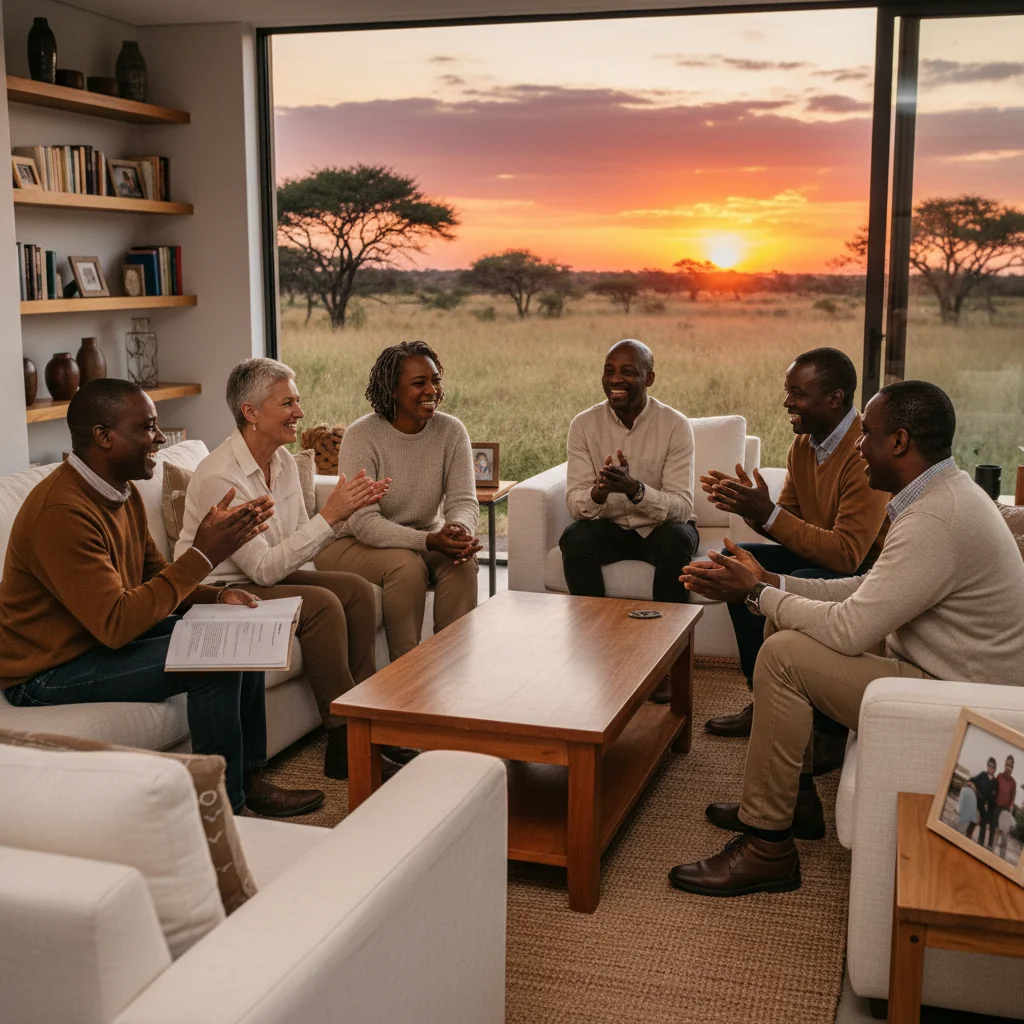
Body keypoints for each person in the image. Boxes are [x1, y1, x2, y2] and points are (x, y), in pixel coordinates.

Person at [669, 380, 1024, 897]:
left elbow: (851, 627)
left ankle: (768, 848)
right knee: (782, 623)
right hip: (940, 667)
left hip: (961, 698)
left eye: (869, 435)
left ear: (900, 442)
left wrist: (755, 594)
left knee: (783, 655)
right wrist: (771, 583)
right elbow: (868, 588)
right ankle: (795, 800)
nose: (858, 445)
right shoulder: (939, 494)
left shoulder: (935, 517)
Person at [0, 379, 324, 817]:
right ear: (103, 436)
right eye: (148, 427)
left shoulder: (120, 490)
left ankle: (248, 779)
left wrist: (214, 598)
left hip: (94, 638)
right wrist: (205, 553)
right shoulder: (62, 513)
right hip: (47, 670)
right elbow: (116, 624)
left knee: (237, 634)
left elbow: (153, 575)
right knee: (213, 662)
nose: (159, 437)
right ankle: (224, 810)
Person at [176, 357, 390, 780]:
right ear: (250, 412)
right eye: (287, 402)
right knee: (322, 604)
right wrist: (329, 517)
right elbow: (265, 570)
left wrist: (343, 515)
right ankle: (346, 740)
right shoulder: (223, 477)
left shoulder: (285, 462)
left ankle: (366, 720)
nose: (300, 412)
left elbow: (294, 550)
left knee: (358, 590)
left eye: (298, 400)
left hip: (262, 575)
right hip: (220, 592)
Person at [702, 348, 889, 765]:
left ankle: (829, 729)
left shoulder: (864, 453)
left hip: (864, 571)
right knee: (740, 563)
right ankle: (764, 697)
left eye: (797, 393)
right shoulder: (804, 445)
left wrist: (769, 514)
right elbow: (789, 527)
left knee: (792, 578)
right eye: (788, 391)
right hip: (825, 558)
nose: (787, 402)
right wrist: (751, 507)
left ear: (835, 399)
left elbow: (847, 554)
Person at [315, 341, 481, 662]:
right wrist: (430, 540)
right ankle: (406, 675)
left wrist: (458, 530)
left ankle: (453, 668)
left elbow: (463, 499)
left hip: (418, 538)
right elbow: (363, 523)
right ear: (392, 390)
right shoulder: (362, 436)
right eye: (419, 383)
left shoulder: (451, 431)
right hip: (350, 542)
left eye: (436, 380)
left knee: (461, 563)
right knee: (406, 565)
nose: (431, 389)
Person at [559, 338, 698, 605]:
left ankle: (669, 639)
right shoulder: (583, 425)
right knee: (575, 537)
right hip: (611, 527)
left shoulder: (675, 426)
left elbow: (681, 508)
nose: (615, 380)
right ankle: (592, 633)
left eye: (628, 372)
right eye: (609, 371)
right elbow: (575, 503)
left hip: (661, 529)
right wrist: (598, 492)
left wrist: (635, 490)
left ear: (649, 378)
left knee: (677, 539)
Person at [965, 759, 1000, 848]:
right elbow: (971, 781)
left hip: (985, 808)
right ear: (987, 766)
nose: (991, 768)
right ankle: (966, 841)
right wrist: (972, 785)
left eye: (993, 767)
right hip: (977, 803)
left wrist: (988, 807)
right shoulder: (982, 775)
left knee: (983, 828)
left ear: (995, 768)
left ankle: (980, 846)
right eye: (990, 765)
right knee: (971, 825)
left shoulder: (995, 782)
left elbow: (993, 798)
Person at [993, 755, 1018, 857]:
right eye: (1007, 765)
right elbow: (994, 792)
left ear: (1012, 768)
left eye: (1011, 766)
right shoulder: (999, 776)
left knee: (1004, 837)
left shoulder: (1013, 783)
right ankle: (989, 854)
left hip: (1006, 811)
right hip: (997, 808)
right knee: (995, 834)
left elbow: (1012, 799)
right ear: (1004, 765)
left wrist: (1010, 812)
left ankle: (1001, 860)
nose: (1008, 767)